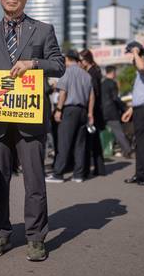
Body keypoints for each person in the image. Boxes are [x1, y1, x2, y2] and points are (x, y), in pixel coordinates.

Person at [0, 0, 65, 262]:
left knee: (34, 182)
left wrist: (33, 64)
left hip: (31, 117)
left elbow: (60, 65)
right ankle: (0, 234)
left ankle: (36, 238)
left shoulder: (43, 30)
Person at [46, 51, 94, 183]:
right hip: (83, 110)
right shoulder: (86, 75)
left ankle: (58, 174)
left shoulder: (66, 72)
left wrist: (59, 109)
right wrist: (90, 113)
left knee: (64, 143)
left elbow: (63, 92)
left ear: (67, 59)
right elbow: (91, 96)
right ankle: (78, 175)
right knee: (80, 144)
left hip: (69, 110)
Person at [120, 43, 144, 186]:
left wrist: (136, 52)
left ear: (142, 56)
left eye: (134, 55)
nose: (132, 59)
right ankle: (140, 174)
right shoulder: (139, 75)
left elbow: (142, 66)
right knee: (139, 144)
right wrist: (130, 110)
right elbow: (140, 95)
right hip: (139, 111)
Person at [79, 49, 105, 177]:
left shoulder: (91, 73)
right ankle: (99, 168)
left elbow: (93, 93)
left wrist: (90, 112)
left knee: (89, 142)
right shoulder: (95, 71)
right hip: (96, 111)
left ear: (87, 60)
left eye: (81, 60)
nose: (80, 63)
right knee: (95, 142)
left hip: (93, 111)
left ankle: (89, 169)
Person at [101, 65, 132, 158]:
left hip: (103, 111)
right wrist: (124, 108)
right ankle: (128, 150)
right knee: (119, 132)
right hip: (112, 111)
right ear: (113, 72)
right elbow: (115, 98)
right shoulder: (112, 83)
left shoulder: (102, 83)